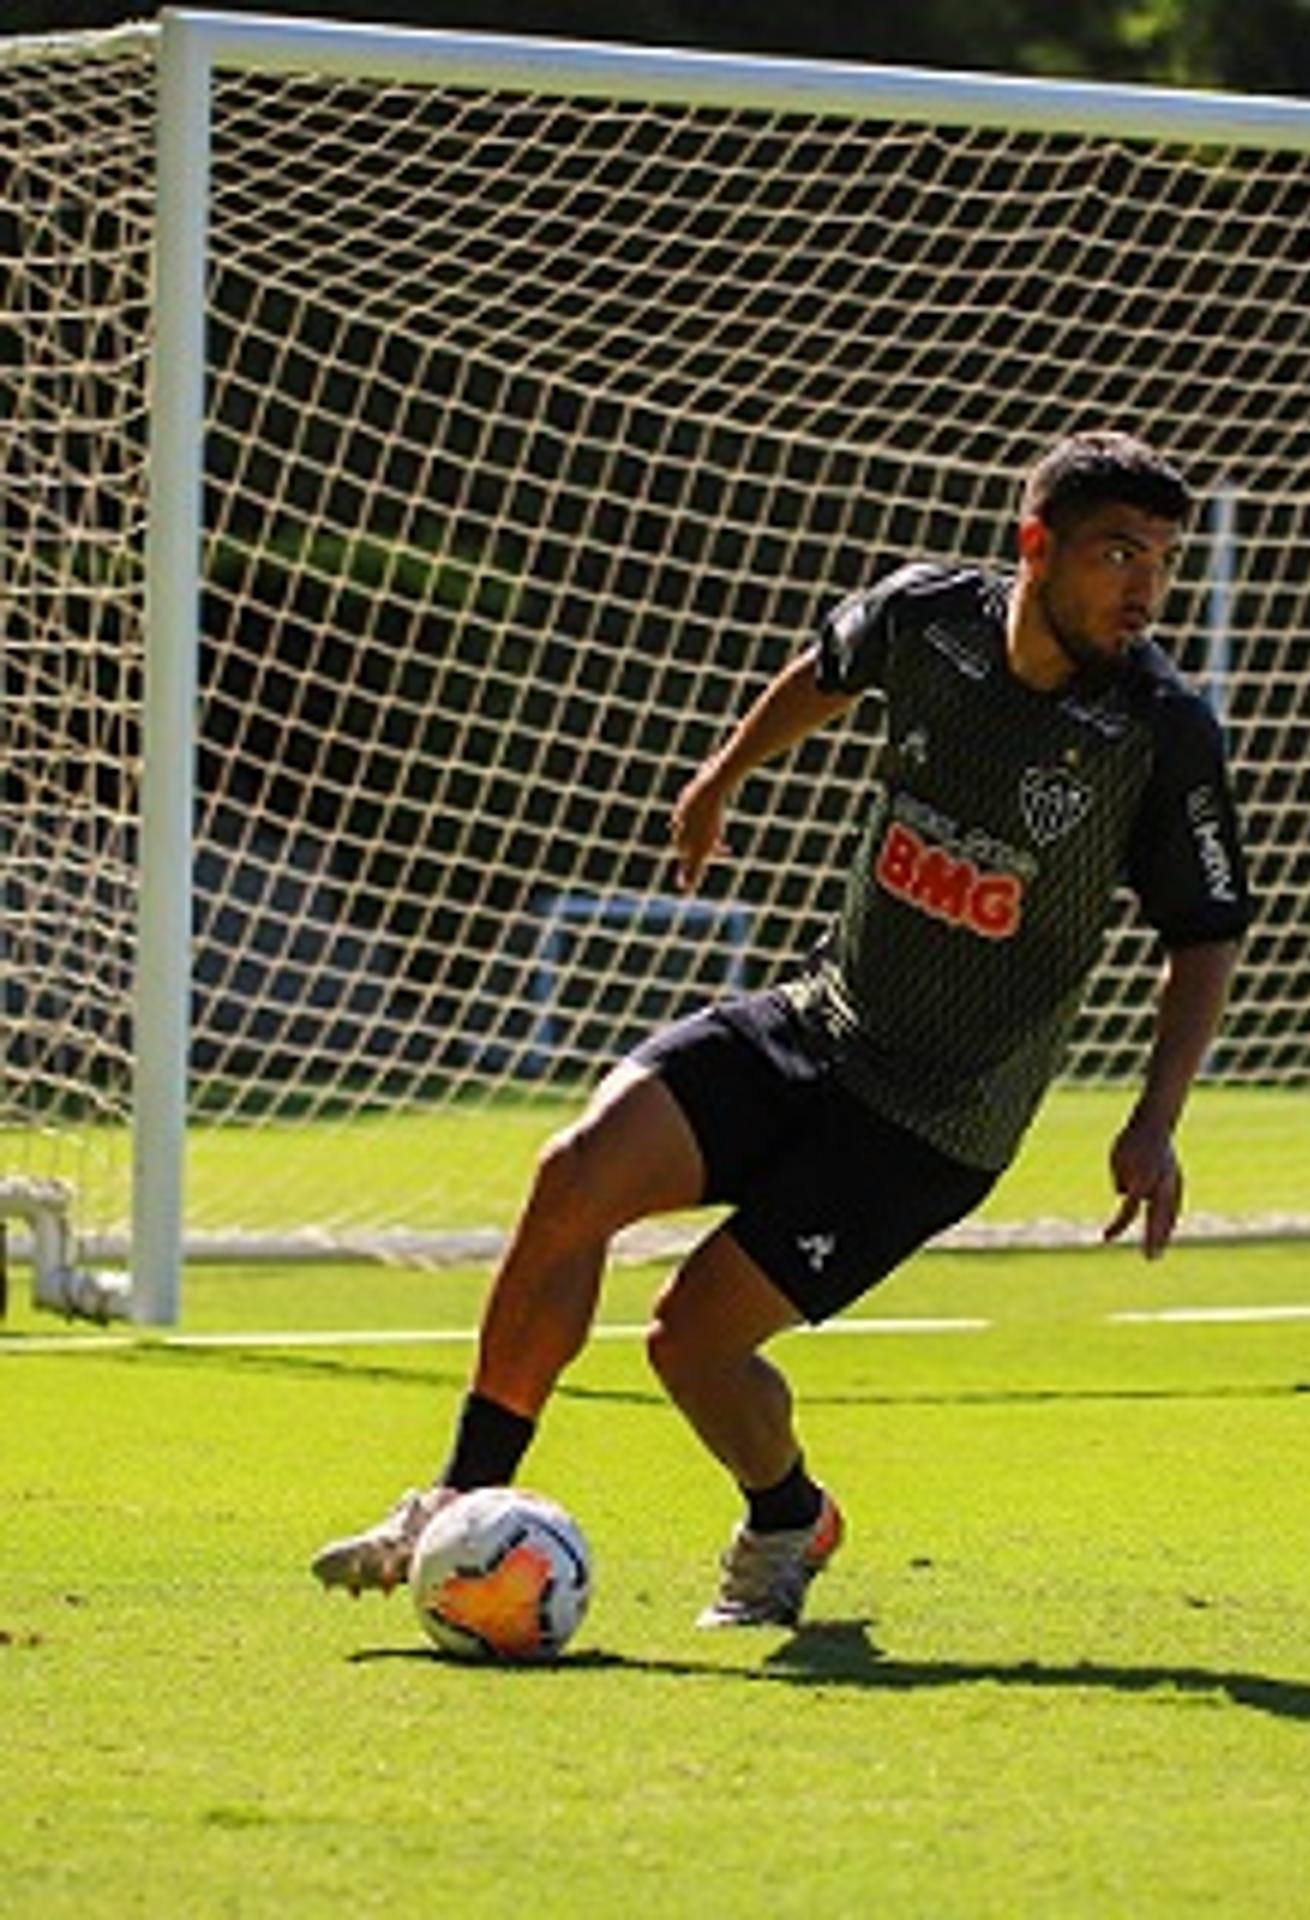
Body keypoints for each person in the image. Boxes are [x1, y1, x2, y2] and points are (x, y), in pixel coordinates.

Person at [311, 429, 1252, 1626]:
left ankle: (790, 1521)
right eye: (1119, 552)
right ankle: (457, 1502)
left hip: (933, 1121)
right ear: (1036, 546)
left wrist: (1155, 1121)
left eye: (1163, 560)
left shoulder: (1161, 732)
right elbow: (827, 668)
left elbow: (1204, 931)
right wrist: (721, 777)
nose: (1145, 588)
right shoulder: (929, 620)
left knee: (688, 1345)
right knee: (574, 1176)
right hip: (819, 1019)